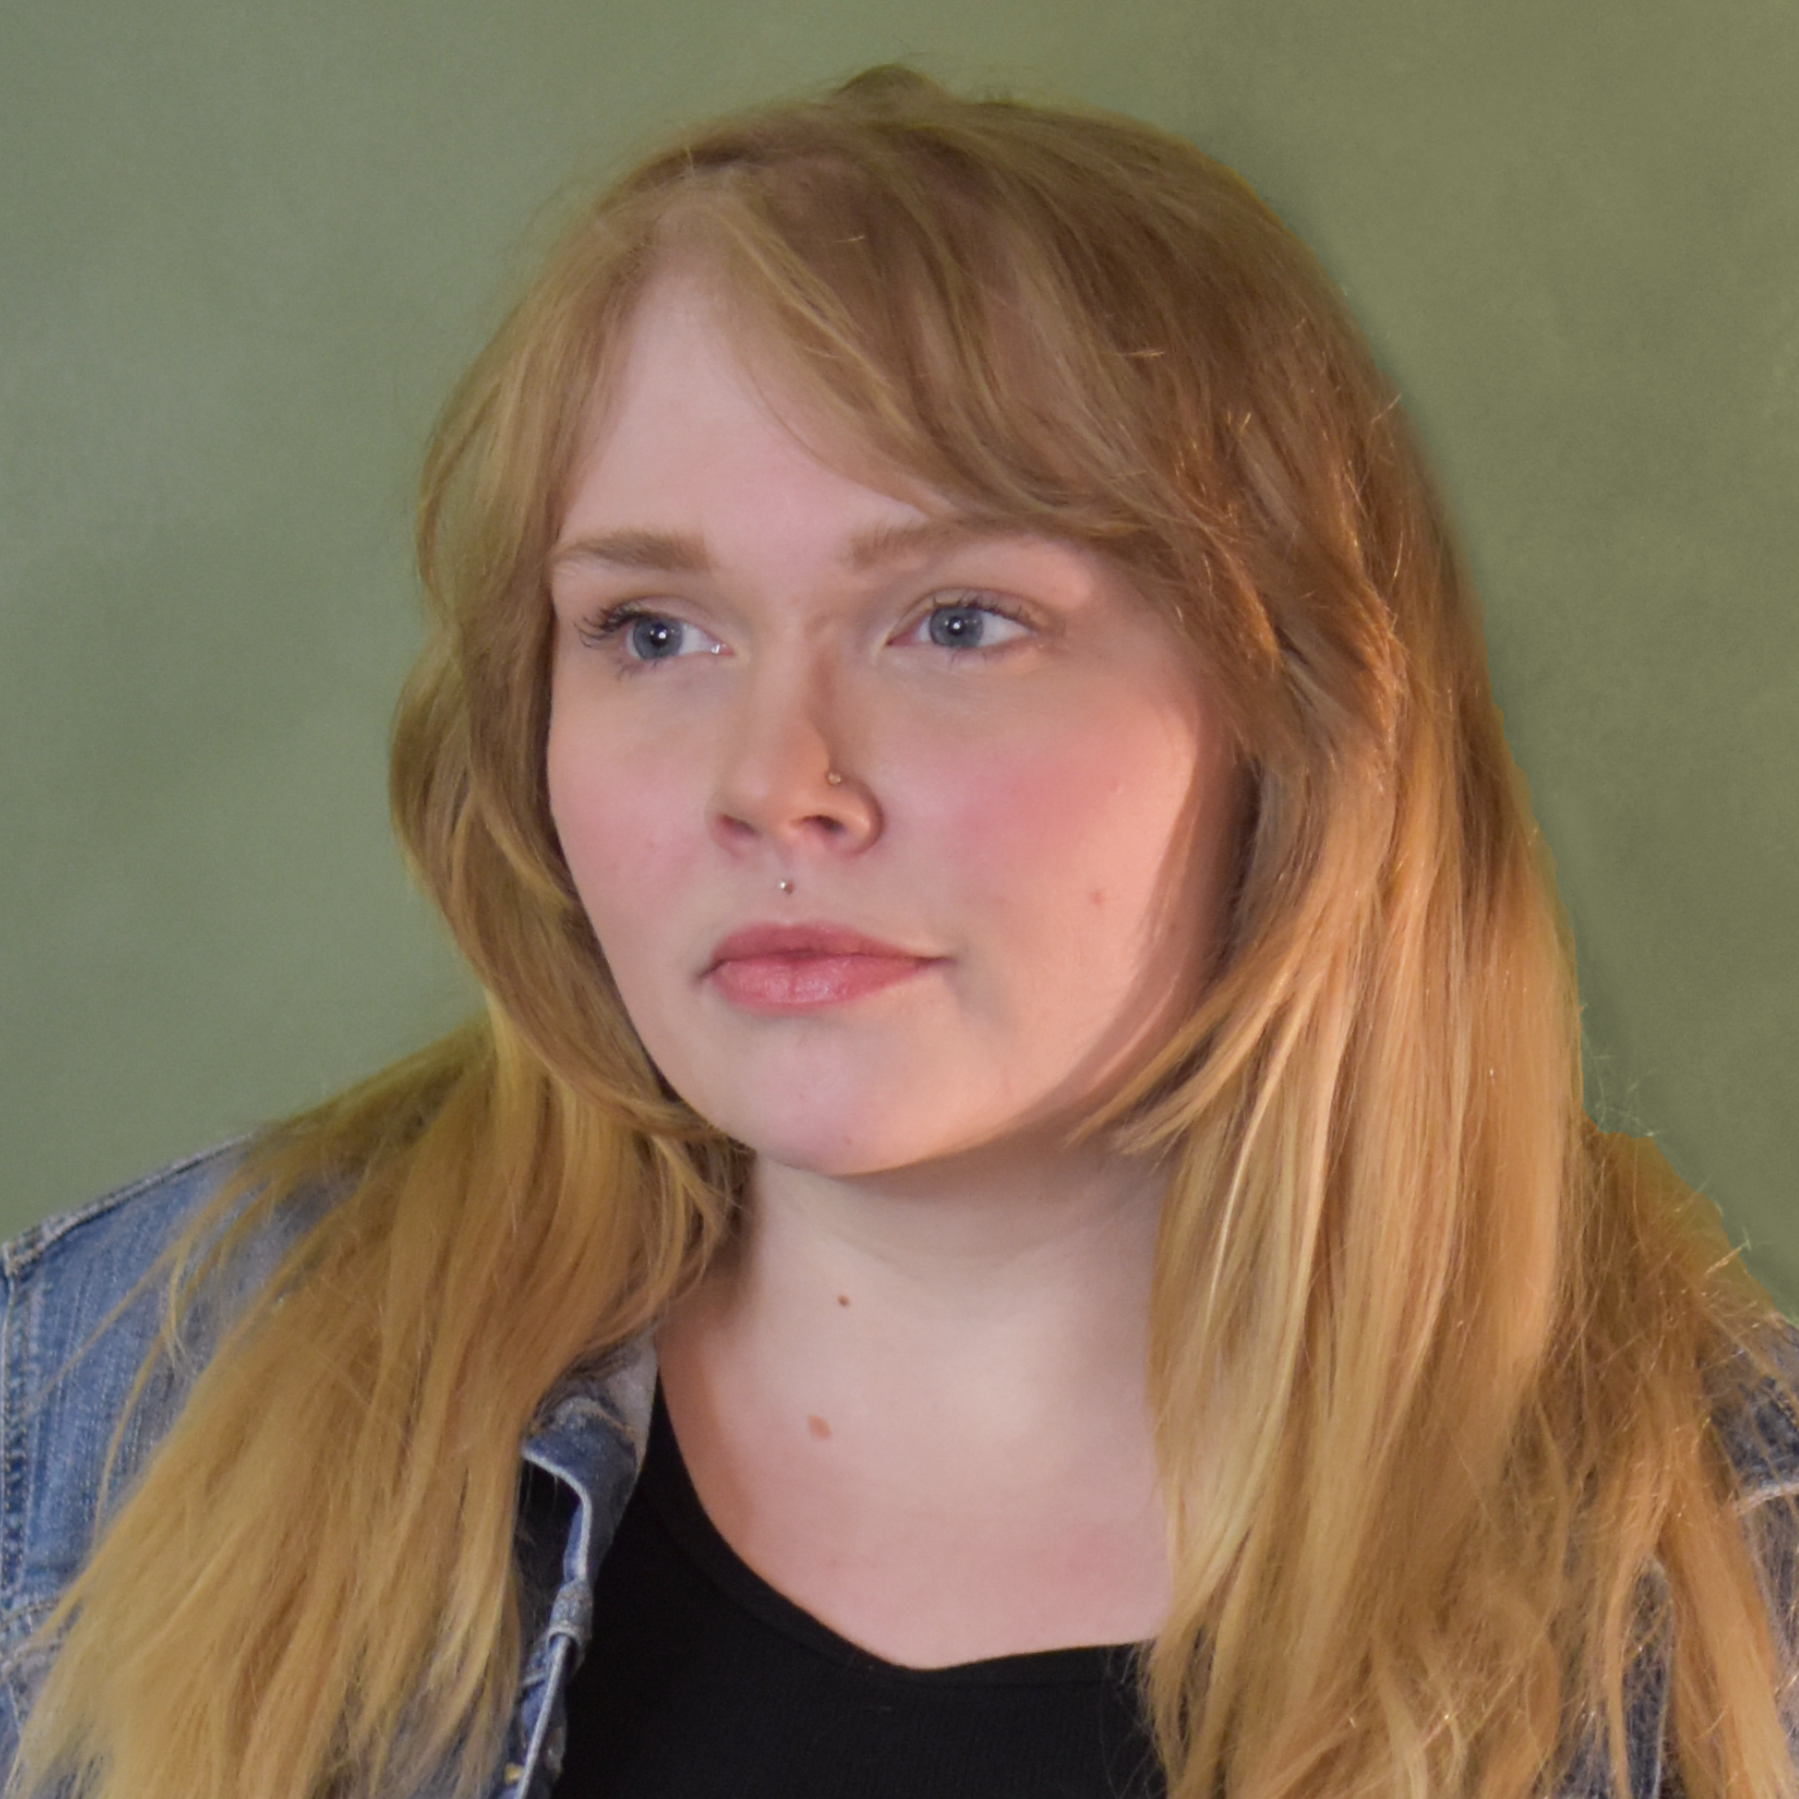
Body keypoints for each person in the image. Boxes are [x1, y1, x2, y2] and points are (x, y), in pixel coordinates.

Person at [1, 64, 1794, 1799]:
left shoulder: (1733, 1569)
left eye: (957, 621)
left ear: (1298, 718)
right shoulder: (106, 1400)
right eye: (652, 631)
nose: (775, 783)